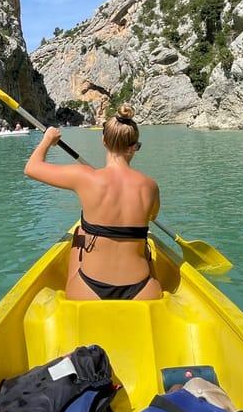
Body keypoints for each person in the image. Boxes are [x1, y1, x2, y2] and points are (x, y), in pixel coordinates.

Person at [24, 103, 161, 301]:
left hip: (88, 289)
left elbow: (32, 168)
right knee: (144, 239)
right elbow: (152, 216)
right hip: (143, 290)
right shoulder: (150, 186)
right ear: (134, 147)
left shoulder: (85, 177)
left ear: (104, 141)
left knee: (80, 232)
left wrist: (48, 140)